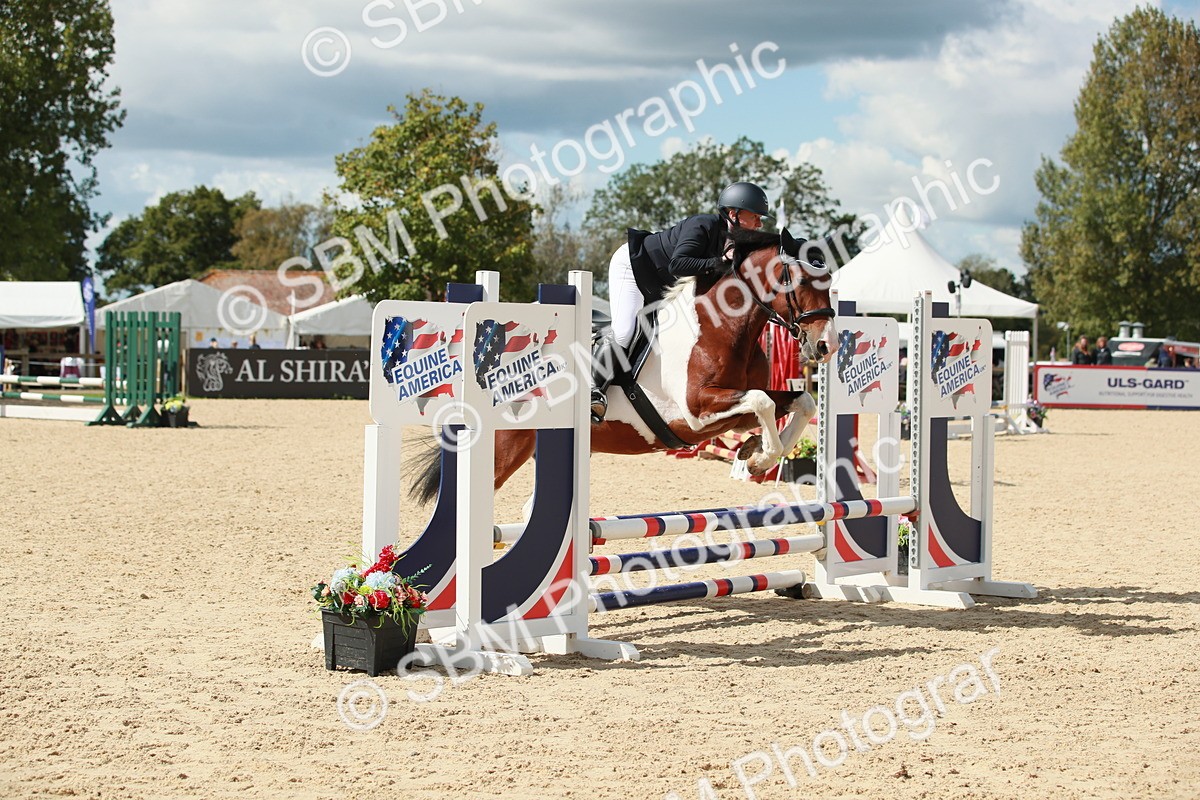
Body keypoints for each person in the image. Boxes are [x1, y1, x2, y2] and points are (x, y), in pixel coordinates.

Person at [590, 181, 772, 422]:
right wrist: (718, 261)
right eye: (756, 217)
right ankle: (593, 390)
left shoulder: (739, 243)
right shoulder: (703, 225)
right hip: (634, 268)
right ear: (733, 214)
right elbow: (679, 264)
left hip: (663, 286)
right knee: (625, 331)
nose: (760, 224)